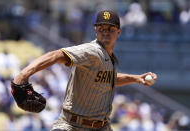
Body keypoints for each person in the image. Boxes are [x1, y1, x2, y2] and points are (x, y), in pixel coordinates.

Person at [13, 10, 157, 131]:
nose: (105, 32)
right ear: (96, 31)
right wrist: (23, 75)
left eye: (110, 29)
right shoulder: (92, 50)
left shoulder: (109, 58)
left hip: (101, 127)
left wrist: (136, 78)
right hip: (73, 126)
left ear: (118, 31)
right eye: (102, 29)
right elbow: (56, 55)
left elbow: (109, 79)